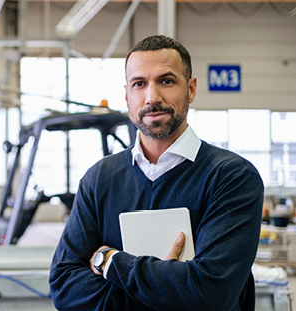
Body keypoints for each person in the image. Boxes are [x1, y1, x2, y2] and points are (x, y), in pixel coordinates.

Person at [49, 35, 264, 311]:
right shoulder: (100, 178)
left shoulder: (232, 178)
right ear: (127, 95)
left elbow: (212, 294)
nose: (152, 97)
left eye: (166, 81)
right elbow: (64, 286)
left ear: (191, 88)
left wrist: (111, 262)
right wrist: (168, 289)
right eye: (139, 84)